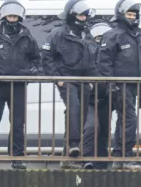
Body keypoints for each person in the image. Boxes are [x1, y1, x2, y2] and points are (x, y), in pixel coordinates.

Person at [0, 1, 40, 170]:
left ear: (19, 17)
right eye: (9, 16)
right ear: (3, 17)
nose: (12, 19)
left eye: (15, 16)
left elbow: (36, 58)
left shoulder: (27, 36)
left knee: (18, 123)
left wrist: (32, 70)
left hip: (18, 85)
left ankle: (17, 157)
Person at [42, 0, 97, 168]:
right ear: (72, 15)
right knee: (74, 107)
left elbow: (93, 59)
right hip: (66, 79)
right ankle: (73, 144)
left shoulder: (87, 35)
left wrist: (91, 80)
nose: (83, 18)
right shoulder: (57, 34)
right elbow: (46, 57)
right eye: (80, 15)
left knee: (80, 115)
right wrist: (56, 78)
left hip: (84, 81)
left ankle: (72, 153)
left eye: (85, 15)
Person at [92, 0, 141, 170]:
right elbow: (104, 62)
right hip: (120, 85)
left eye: (134, 15)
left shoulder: (137, 36)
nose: (132, 18)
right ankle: (125, 156)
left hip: (133, 85)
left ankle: (119, 156)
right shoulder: (113, 35)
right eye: (129, 14)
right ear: (121, 15)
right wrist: (111, 85)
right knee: (129, 120)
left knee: (124, 121)